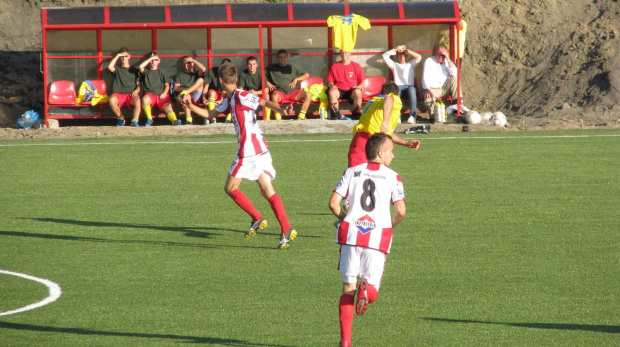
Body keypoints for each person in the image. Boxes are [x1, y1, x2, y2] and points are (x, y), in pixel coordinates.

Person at [180, 62, 298, 250]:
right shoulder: (230, 98)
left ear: (220, 80)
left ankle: (258, 218)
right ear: (235, 78)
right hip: (260, 148)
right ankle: (286, 229)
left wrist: (281, 111)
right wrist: (191, 106)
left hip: (248, 151)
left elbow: (264, 102)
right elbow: (210, 114)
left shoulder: (241, 96)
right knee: (267, 190)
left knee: (231, 187)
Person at [328, 133, 407, 347]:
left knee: (347, 288)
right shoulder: (393, 176)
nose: (393, 155)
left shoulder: (351, 172)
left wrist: (348, 220)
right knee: (371, 289)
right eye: (391, 150)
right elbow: (400, 211)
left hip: (351, 235)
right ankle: (367, 291)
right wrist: (386, 226)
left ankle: (345, 342)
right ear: (380, 153)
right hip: (377, 237)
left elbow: (334, 203)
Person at [348, 82, 420, 168]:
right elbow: (389, 99)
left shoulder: (373, 100)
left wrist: (406, 143)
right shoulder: (394, 98)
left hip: (359, 141)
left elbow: (386, 132)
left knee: (355, 175)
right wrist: (385, 122)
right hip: (371, 141)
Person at [265, 49, 311, 120]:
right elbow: (260, 76)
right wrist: (269, 84)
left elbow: (307, 75)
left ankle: (301, 116)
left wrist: (296, 79)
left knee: (308, 94)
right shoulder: (272, 68)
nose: (282, 59)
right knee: (274, 96)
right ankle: (278, 117)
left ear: (287, 58)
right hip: (280, 93)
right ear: (277, 58)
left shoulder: (292, 68)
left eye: (284, 57)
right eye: (280, 57)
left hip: (293, 92)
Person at [382, 45, 422, 124]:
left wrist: (407, 50)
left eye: (403, 54)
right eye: (399, 54)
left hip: (409, 86)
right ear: (397, 56)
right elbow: (385, 55)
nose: (401, 56)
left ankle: (413, 116)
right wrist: (396, 49)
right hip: (398, 87)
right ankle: (397, 116)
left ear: (406, 55)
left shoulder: (411, 64)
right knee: (396, 93)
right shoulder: (394, 65)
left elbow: (419, 57)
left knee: (412, 90)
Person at [139, 52, 181, 126]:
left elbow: (167, 85)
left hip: (161, 94)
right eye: (151, 60)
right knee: (145, 99)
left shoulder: (162, 72)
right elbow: (140, 67)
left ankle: (174, 120)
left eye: (155, 60)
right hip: (150, 94)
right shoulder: (146, 71)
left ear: (158, 61)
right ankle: (149, 119)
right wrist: (152, 58)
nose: (153, 62)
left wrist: (164, 93)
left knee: (168, 106)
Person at [421, 46, 458, 122]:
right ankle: (433, 114)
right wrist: (427, 89)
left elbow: (455, 73)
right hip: (433, 89)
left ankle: (457, 103)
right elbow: (425, 76)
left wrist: (447, 59)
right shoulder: (429, 61)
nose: (441, 57)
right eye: (439, 55)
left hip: (445, 88)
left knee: (454, 78)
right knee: (428, 100)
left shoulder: (447, 61)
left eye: (443, 55)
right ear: (435, 54)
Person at [107, 47, 141, 127]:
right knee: (111, 99)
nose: (123, 58)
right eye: (121, 56)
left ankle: (135, 120)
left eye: (125, 56)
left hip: (130, 94)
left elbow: (139, 86)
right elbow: (110, 67)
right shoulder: (117, 69)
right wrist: (118, 55)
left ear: (129, 56)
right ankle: (120, 118)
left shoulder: (135, 70)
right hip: (119, 94)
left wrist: (136, 91)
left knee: (138, 100)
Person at [326, 50, 365, 120]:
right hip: (339, 89)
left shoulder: (356, 66)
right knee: (331, 92)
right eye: (342, 52)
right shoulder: (334, 66)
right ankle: (336, 114)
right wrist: (332, 86)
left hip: (351, 90)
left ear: (350, 53)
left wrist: (358, 87)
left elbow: (363, 82)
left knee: (358, 91)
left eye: (346, 52)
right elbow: (329, 82)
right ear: (340, 54)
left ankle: (357, 113)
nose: (344, 54)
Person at [173, 55, 207, 125]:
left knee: (201, 80)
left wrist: (193, 60)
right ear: (183, 64)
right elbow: (176, 88)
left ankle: (186, 93)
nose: (188, 64)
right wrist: (188, 89)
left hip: (195, 95)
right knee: (186, 96)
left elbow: (203, 69)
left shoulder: (196, 74)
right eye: (186, 62)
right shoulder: (180, 75)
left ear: (193, 64)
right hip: (184, 96)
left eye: (190, 62)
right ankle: (189, 120)